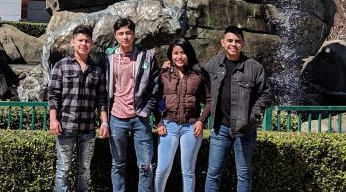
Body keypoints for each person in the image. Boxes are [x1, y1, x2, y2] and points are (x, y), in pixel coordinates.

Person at [204, 26, 272, 192]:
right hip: (220, 128)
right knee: (213, 173)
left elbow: (266, 94)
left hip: (245, 129)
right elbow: (197, 78)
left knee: (244, 173)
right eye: (230, 41)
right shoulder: (213, 64)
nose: (233, 44)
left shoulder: (254, 68)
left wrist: (252, 116)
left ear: (243, 43)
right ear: (223, 42)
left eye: (237, 41)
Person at [48, 24, 109, 192]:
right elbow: (53, 95)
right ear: (72, 42)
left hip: (88, 129)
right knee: (63, 170)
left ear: (92, 43)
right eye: (80, 40)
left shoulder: (97, 69)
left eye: (87, 41)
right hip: (65, 127)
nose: (84, 44)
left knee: (84, 171)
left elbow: (101, 98)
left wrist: (104, 123)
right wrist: (53, 120)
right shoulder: (61, 65)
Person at [105, 17, 161, 192]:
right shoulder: (108, 58)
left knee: (146, 166)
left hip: (140, 118)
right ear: (115, 36)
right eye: (121, 33)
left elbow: (154, 87)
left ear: (134, 34)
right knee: (118, 164)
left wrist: (145, 111)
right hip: (116, 117)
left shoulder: (146, 56)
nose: (125, 37)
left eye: (128, 33)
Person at [154, 38, 211, 192]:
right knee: (162, 169)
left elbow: (210, 100)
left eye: (182, 53)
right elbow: (155, 99)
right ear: (170, 55)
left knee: (188, 171)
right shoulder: (164, 74)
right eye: (175, 53)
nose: (179, 56)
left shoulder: (199, 73)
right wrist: (159, 123)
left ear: (189, 53)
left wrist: (201, 121)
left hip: (191, 128)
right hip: (168, 126)